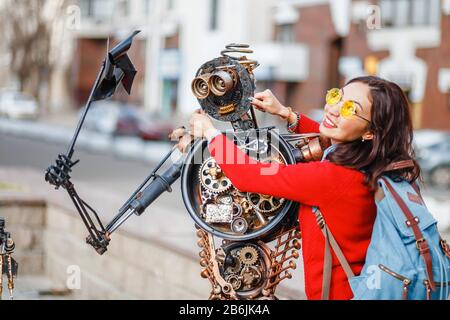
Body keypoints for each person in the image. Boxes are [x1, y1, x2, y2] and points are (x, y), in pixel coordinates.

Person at [175, 76, 421, 300]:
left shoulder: (332, 178)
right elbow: (332, 141)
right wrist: (286, 114)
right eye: (337, 96)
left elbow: (250, 175)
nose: (333, 109)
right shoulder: (377, 162)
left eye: (350, 109)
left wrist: (210, 133)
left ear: (370, 132)